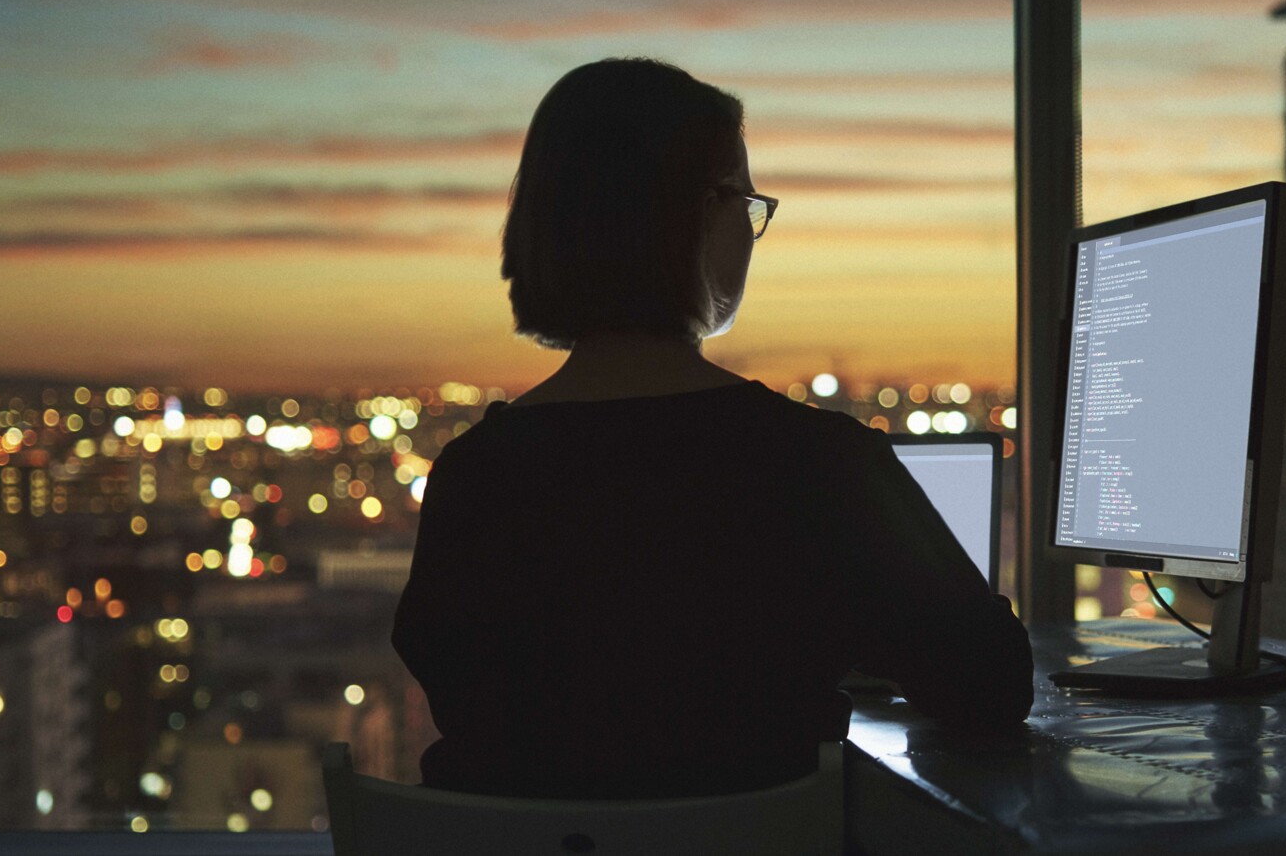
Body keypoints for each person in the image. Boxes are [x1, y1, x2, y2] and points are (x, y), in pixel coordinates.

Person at [392, 58, 1032, 799]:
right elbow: (989, 687)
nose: (753, 232)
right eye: (745, 201)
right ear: (695, 214)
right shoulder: (820, 464)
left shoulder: (474, 476)